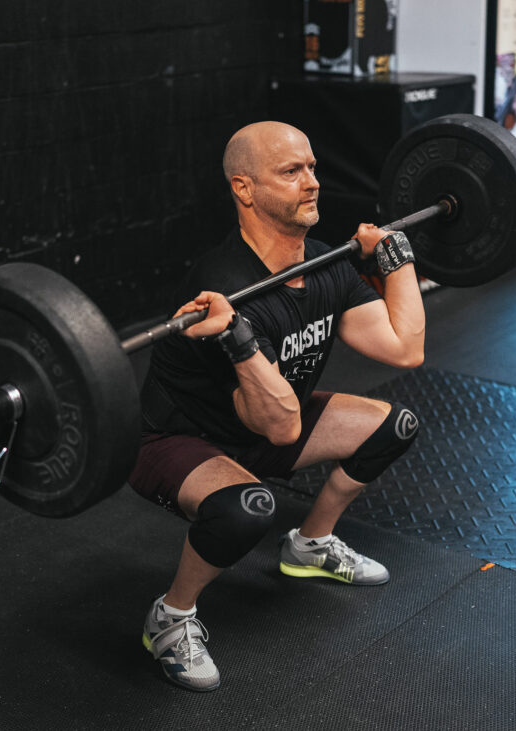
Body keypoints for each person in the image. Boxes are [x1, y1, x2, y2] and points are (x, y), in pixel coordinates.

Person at [128, 121, 425, 691]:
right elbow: (283, 425)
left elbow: (404, 347)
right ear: (245, 189)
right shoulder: (227, 283)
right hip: (180, 439)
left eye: (311, 167)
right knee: (247, 509)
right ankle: (171, 617)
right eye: (291, 172)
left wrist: (395, 255)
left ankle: (310, 545)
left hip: (264, 422)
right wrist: (236, 334)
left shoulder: (325, 263)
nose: (311, 182)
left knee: (395, 425)